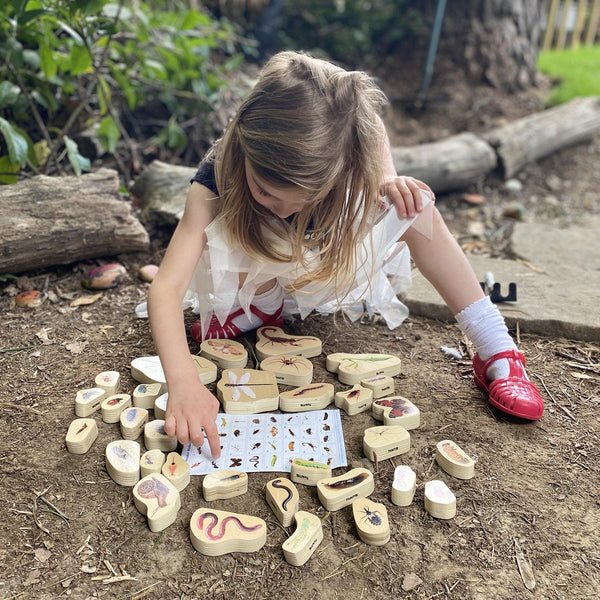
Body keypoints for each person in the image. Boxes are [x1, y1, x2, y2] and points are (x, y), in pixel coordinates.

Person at [147, 51, 544, 458]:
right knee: (238, 229)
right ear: (246, 149)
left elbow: (371, 126)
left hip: (317, 262)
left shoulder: (345, 131)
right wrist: (184, 383)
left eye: (304, 197)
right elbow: (165, 288)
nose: (283, 208)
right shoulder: (217, 179)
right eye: (265, 190)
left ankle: (496, 348)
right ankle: (258, 308)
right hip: (253, 259)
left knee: (415, 206)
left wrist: (387, 177)